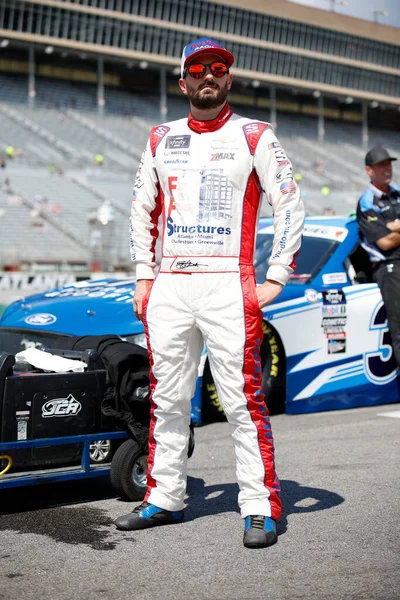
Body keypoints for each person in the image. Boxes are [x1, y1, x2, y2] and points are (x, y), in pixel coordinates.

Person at [115, 37, 305, 549]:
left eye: (218, 69)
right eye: (198, 69)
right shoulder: (160, 138)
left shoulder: (255, 135)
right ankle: (163, 497)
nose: (208, 76)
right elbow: (142, 210)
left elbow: (289, 205)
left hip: (228, 281)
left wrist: (276, 276)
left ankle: (261, 506)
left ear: (229, 79)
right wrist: (143, 276)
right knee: (168, 399)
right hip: (172, 283)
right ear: (183, 81)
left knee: (243, 400)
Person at [356, 146, 400, 369]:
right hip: (389, 268)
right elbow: (384, 242)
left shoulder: (398, 193)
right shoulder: (366, 202)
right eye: (381, 165)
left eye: (388, 164)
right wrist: (390, 231)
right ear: (369, 170)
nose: (387, 168)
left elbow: (391, 236)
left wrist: (393, 227)